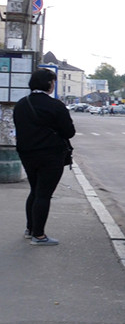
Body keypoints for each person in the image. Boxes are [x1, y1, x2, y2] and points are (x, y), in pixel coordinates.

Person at [13, 68, 76, 246]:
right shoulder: (55, 105)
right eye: (53, 82)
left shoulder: (21, 104)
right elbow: (69, 132)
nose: (53, 85)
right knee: (44, 194)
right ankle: (39, 236)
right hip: (50, 155)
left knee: (34, 190)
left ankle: (30, 229)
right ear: (49, 84)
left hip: (27, 154)